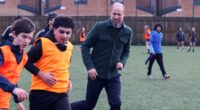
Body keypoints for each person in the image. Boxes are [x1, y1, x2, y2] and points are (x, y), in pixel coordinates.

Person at [71, 2, 133, 110]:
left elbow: (126, 51)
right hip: (96, 75)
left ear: (124, 14)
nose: (116, 17)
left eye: (119, 14)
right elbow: (85, 47)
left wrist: (122, 62)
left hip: (113, 75)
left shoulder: (128, 32)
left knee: (116, 103)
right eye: (114, 14)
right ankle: (63, 107)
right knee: (88, 105)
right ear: (110, 13)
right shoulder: (100, 27)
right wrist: (90, 67)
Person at [28, 16, 74, 110]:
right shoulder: (42, 43)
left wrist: (68, 79)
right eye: (61, 32)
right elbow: (25, 61)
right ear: (54, 29)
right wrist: (41, 74)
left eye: (68, 33)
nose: (65, 35)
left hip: (61, 93)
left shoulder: (70, 46)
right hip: (41, 92)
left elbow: (65, 66)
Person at [0, 18, 35, 110]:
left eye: (29, 38)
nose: (27, 41)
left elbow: (12, 79)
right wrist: (13, 89)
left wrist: (18, 101)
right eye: (24, 36)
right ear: (14, 34)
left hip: (3, 102)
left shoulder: (24, 57)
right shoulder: (2, 51)